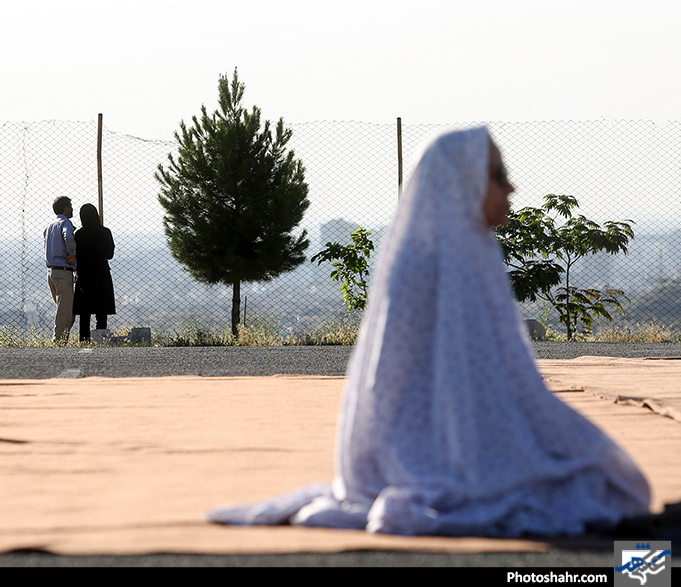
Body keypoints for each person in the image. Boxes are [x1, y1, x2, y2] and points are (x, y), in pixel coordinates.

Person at [206, 127, 651, 536]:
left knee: (608, 477)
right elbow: (393, 382)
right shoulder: (424, 267)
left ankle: (647, 572)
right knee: (603, 482)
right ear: (462, 180)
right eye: (498, 173)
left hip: (477, 432)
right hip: (436, 445)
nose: (510, 187)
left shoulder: (475, 250)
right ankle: (648, 574)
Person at [72, 203, 116, 342]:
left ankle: (84, 340)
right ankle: (100, 340)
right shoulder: (105, 232)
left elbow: (75, 254)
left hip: (84, 276)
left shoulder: (79, 234)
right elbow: (110, 254)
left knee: (84, 313)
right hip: (101, 274)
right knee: (101, 311)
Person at [44, 196, 77, 344]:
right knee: (65, 312)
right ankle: (58, 342)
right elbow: (68, 237)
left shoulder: (49, 226)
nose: (72, 209)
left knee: (64, 309)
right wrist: (72, 254)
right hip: (63, 271)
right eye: (70, 206)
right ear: (65, 208)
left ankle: (61, 340)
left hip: (51, 272)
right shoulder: (66, 223)